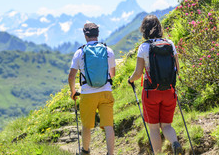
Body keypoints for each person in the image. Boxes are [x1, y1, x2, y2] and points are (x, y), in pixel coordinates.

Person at [128, 15, 183, 154]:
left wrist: (130, 80)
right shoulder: (170, 44)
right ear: (159, 27)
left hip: (151, 92)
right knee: (167, 126)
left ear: (144, 30)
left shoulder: (144, 47)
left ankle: (157, 153)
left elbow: (138, 73)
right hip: (169, 91)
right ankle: (175, 142)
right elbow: (177, 68)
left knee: (153, 128)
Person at [68, 22, 116, 155]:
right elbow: (113, 74)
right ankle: (110, 153)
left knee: (87, 125)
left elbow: (71, 77)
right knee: (108, 125)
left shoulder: (80, 52)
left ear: (85, 35)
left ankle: (85, 150)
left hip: (88, 93)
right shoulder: (108, 50)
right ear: (98, 34)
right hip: (106, 91)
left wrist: (73, 92)